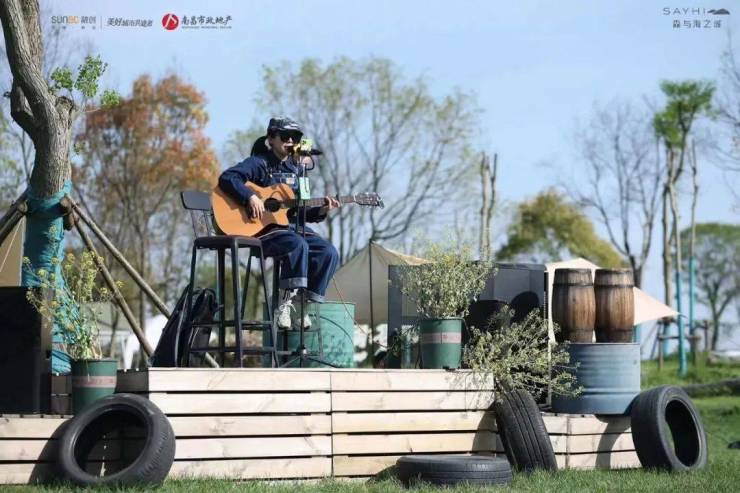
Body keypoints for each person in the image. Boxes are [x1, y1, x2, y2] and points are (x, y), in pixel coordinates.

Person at [218, 117, 340, 329]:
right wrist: (250, 196)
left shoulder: (298, 170)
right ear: (271, 138)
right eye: (285, 136)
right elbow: (228, 177)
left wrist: (321, 210)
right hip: (263, 229)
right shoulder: (259, 163)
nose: (291, 141)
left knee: (328, 252)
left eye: (296, 137)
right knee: (297, 244)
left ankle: (302, 305)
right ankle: (283, 305)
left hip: (289, 227)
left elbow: (300, 211)